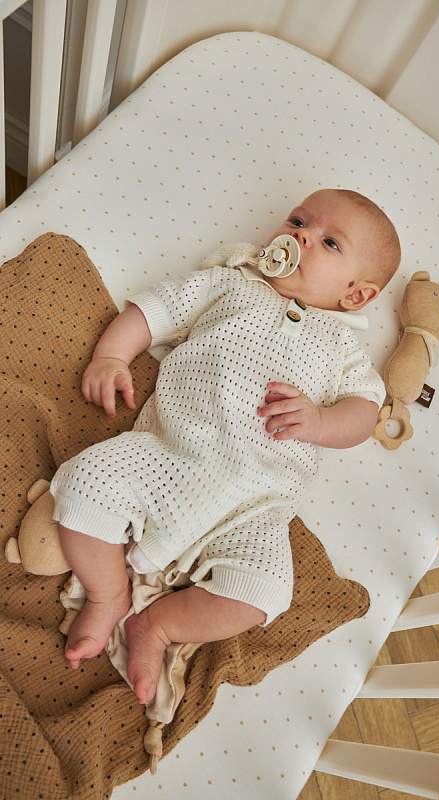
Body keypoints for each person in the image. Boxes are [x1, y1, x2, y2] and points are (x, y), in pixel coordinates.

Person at [50, 188, 401, 705]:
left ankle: (158, 626)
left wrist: (322, 420)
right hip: (171, 452)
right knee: (83, 483)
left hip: (254, 503)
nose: (301, 235)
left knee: (264, 591)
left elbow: (364, 414)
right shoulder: (230, 285)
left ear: (356, 294)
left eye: (329, 242)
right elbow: (155, 309)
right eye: (298, 221)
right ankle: (107, 595)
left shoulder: (342, 349)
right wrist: (111, 356)